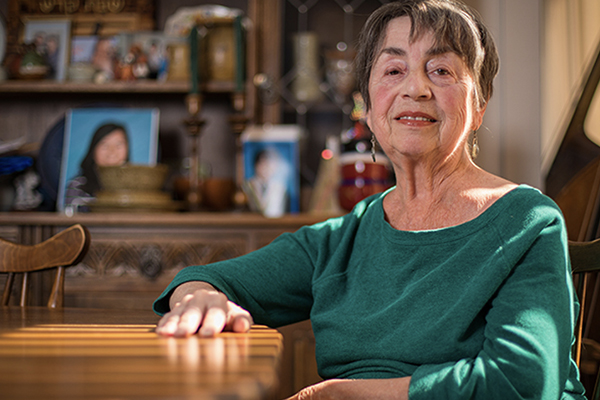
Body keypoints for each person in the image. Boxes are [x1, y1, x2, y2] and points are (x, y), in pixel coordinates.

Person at [153, 1, 586, 398]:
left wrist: (343, 394)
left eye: (441, 70)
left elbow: (523, 383)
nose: (415, 88)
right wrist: (197, 296)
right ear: (369, 107)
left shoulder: (528, 222)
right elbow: (205, 276)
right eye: (394, 70)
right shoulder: (345, 237)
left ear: (480, 104)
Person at [64, 123, 129, 212]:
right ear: (93, 150)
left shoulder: (136, 187)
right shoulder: (78, 186)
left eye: (119, 145)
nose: (112, 151)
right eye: (105, 145)